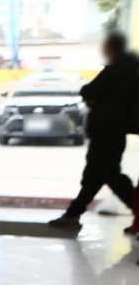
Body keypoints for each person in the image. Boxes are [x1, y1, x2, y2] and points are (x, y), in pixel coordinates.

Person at [50, 31, 139, 228]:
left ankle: (73, 214)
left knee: (109, 176)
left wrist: (93, 99)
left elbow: (88, 90)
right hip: (114, 131)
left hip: (106, 132)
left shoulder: (116, 70)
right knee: (95, 177)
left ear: (111, 48)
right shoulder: (130, 70)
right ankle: (73, 214)